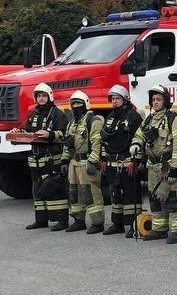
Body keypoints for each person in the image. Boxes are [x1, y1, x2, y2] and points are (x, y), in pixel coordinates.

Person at [131, 83, 177, 243]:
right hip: (153, 167)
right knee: (155, 199)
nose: (155, 102)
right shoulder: (148, 120)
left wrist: (175, 168)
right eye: (153, 99)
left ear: (165, 101)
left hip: (169, 166)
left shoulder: (174, 120)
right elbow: (138, 135)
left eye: (158, 99)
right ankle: (159, 228)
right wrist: (135, 145)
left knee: (174, 199)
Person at [98, 84, 143, 236]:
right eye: (113, 99)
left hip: (127, 163)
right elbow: (104, 139)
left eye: (117, 98)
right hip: (112, 163)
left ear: (125, 99)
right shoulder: (110, 117)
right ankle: (117, 224)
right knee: (115, 194)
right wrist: (103, 158)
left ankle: (133, 225)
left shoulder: (133, 116)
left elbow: (139, 139)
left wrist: (135, 161)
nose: (115, 101)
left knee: (131, 194)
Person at [22, 83, 68, 230]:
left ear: (49, 96)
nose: (41, 99)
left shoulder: (57, 114)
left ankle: (62, 220)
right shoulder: (34, 113)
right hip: (34, 159)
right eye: (38, 96)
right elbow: (27, 129)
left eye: (43, 96)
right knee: (37, 189)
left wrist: (50, 134)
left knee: (54, 188)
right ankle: (41, 220)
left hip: (51, 159)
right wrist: (20, 130)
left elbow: (64, 135)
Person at [60, 90, 104, 233]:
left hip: (87, 162)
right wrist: (65, 161)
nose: (76, 106)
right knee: (74, 193)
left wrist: (93, 160)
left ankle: (97, 223)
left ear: (85, 104)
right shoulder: (72, 123)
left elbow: (97, 142)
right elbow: (67, 143)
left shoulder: (93, 120)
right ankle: (78, 221)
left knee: (91, 193)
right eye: (74, 104)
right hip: (74, 162)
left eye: (79, 103)